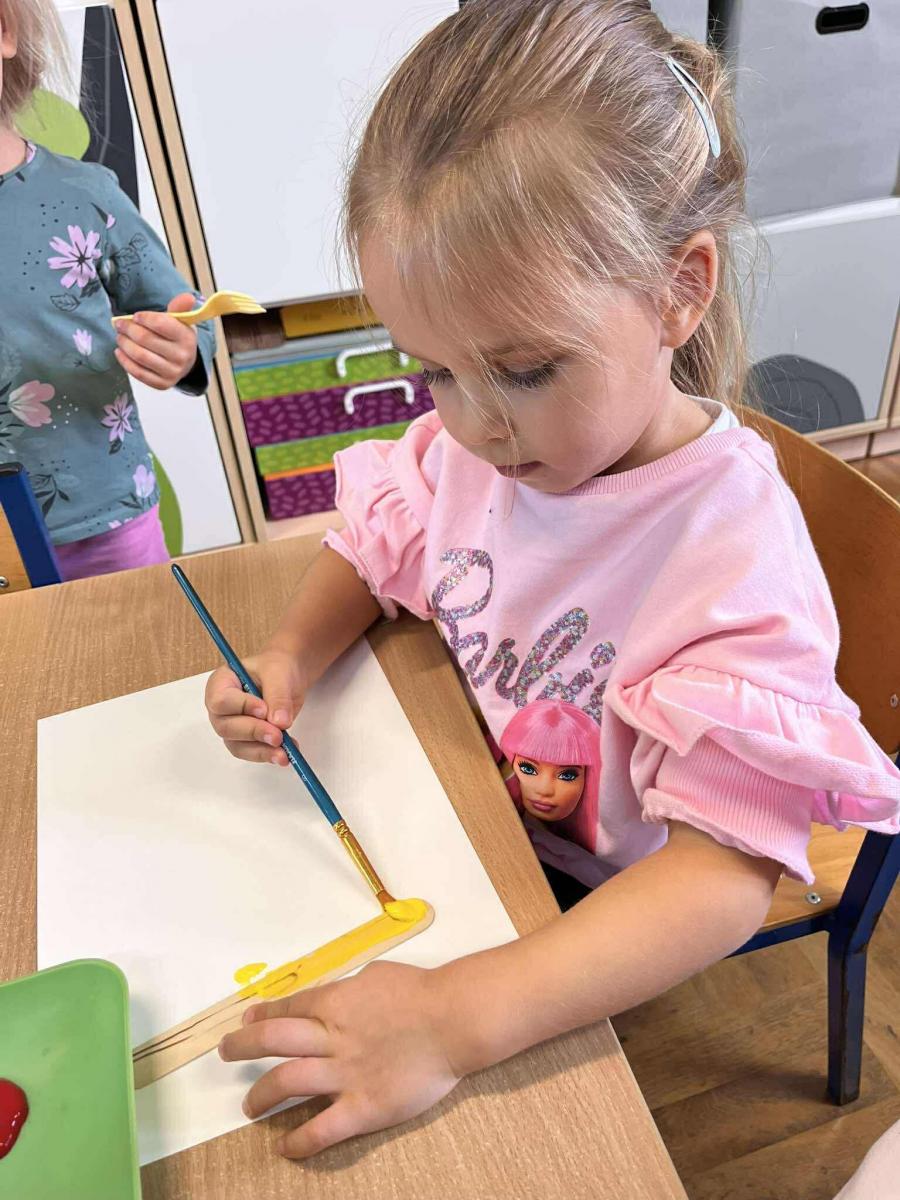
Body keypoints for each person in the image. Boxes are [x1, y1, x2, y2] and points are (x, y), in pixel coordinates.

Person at [206, 0, 900, 1160]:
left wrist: (453, 1019)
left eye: (523, 372)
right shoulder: (480, 448)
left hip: (594, 900)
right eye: (434, 371)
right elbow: (375, 544)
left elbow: (723, 878)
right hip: (467, 811)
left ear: (678, 291)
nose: (474, 427)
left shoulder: (730, 554)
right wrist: (288, 657)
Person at [0, 0, 214, 580]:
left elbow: (183, 311)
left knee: (144, 636)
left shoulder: (85, 194)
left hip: (104, 519)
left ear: (5, 31)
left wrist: (182, 348)